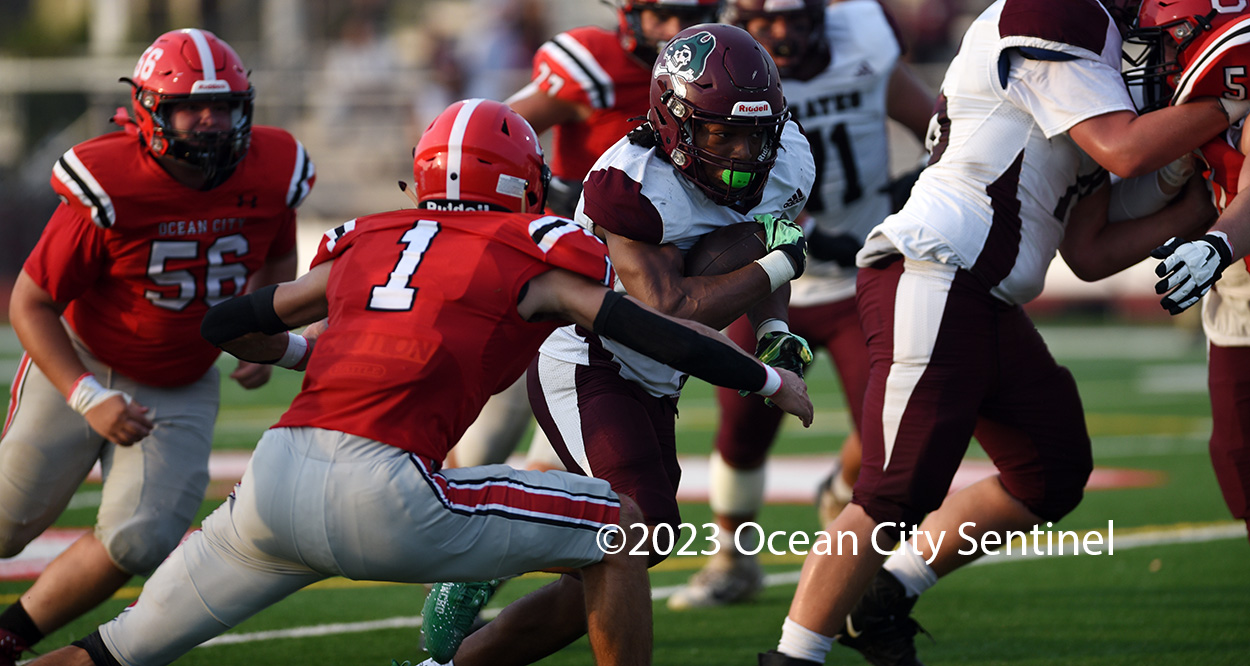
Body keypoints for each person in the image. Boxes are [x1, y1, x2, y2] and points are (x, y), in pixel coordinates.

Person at [24, 98, 813, 666]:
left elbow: (226, 323)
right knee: (623, 530)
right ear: (523, 182)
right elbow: (648, 325)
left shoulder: (365, 236)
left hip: (272, 484)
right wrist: (769, 381)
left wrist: (301, 355)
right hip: (388, 492)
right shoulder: (533, 245)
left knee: (109, 652)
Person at [758, 0, 1242, 666]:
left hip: (981, 293)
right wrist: (1228, 99)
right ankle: (791, 657)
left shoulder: (1081, 71)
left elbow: (1088, 251)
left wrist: (1193, 208)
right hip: (936, 270)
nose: (1143, 21)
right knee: (891, 494)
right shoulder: (1049, 8)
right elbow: (1121, 151)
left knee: (1049, 468)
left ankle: (885, 598)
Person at [423, 23, 817, 666]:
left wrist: (773, 328)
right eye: (722, 133)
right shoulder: (627, 184)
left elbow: (767, 245)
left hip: (661, 374)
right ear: (675, 122)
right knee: (630, 533)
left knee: (646, 540)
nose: (745, 153)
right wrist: (780, 266)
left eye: (755, 132)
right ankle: (491, 543)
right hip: (591, 360)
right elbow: (669, 307)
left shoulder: (788, 151)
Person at [0, 28, 316, 666]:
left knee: (141, 539)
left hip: (181, 376)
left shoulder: (274, 167)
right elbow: (30, 302)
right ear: (150, 111)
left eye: (224, 105)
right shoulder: (112, 180)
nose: (210, 121)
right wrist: (88, 396)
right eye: (190, 107)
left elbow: (277, 249)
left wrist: (261, 329)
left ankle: (8, 638)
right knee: (7, 525)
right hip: (84, 360)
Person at [667, 0, 935, 610]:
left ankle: (840, 500)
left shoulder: (864, 44)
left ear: (825, 8)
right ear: (738, 19)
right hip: (764, 273)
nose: (783, 35)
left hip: (862, 276)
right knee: (742, 427)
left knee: (887, 433)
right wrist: (805, 234)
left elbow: (937, 125)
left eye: (795, 18)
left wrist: (921, 186)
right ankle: (732, 557)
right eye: (765, 22)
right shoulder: (724, 73)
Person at [449, 0, 723, 471]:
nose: (674, 32)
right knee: (482, 447)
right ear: (627, 11)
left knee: (575, 465)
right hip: (559, 273)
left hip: (636, 290)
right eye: (659, 14)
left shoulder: (717, 77)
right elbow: (488, 137)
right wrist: (558, 191)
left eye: (688, 16)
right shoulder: (597, 65)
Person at [1133, 0, 1250, 543]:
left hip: (1233, 265)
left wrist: (1214, 244)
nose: (1154, 60)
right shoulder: (1204, 112)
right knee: (1236, 455)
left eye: (1165, 42)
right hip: (1237, 303)